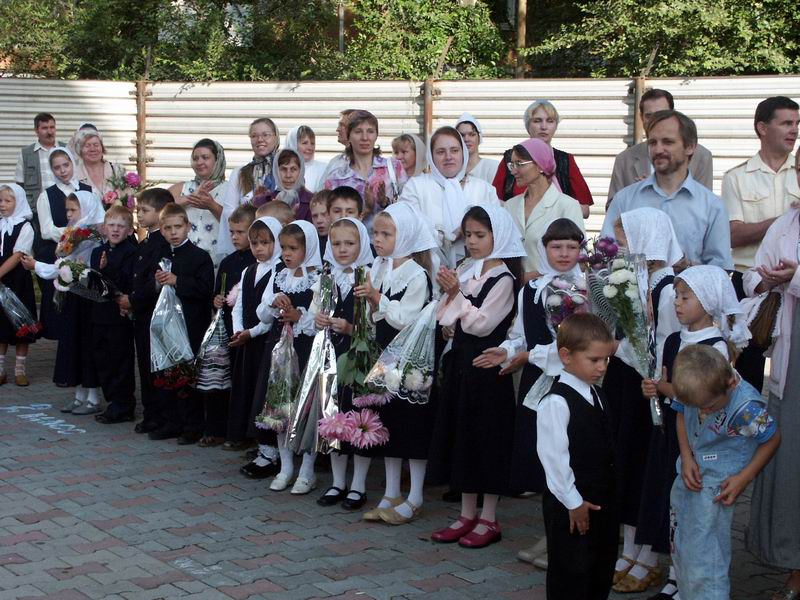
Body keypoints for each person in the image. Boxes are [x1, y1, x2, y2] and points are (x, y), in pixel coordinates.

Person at [476, 217, 586, 566]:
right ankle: (551, 532)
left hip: (574, 382)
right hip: (538, 382)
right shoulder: (532, 290)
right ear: (544, 248)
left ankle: (567, 537)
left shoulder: (587, 288)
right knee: (545, 459)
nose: (564, 253)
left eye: (572, 247)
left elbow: (583, 344)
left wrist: (530, 356)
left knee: (570, 458)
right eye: (557, 246)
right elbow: (520, 335)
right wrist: (507, 351)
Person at [635, 265, 750, 597]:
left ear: (709, 300)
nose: (677, 303)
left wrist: (664, 388)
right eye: (677, 296)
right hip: (673, 432)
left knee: (695, 508)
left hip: (702, 438)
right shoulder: (674, 339)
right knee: (673, 505)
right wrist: (653, 387)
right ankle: (676, 573)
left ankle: (690, 577)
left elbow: (697, 395)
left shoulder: (716, 346)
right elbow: (666, 383)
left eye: (686, 297)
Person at [430, 205, 525, 548]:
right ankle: (466, 513)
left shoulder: (504, 279)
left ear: (499, 236)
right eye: (468, 234)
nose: (471, 242)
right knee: (464, 437)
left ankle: (489, 517)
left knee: (487, 439)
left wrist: (456, 296)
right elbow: (444, 315)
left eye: (480, 235)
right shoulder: (467, 269)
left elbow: (482, 324)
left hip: (487, 369)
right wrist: (450, 302)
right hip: (462, 365)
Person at [605, 208, 683, 595]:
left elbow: (664, 348)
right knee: (627, 465)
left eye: (625, 239)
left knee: (645, 470)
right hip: (626, 385)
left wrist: (619, 348)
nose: (620, 245)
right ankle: (629, 549)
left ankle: (648, 557)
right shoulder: (636, 279)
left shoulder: (667, 290)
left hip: (648, 388)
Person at [669, 345, 779, 600]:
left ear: (730, 384)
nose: (703, 412)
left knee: (708, 557)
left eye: (708, 406)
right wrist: (686, 456)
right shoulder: (694, 386)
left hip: (718, 486)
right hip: (690, 474)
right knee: (683, 548)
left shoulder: (747, 407)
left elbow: (772, 439)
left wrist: (744, 478)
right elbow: (682, 414)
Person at [354, 202, 437, 525]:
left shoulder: (417, 274)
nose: (377, 239)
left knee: (411, 426)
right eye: (376, 233)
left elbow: (407, 318)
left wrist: (377, 298)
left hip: (410, 362)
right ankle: (390, 493)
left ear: (405, 237)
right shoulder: (380, 267)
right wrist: (371, 302)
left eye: (386, 234)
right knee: (387, 424)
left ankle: (415, 495)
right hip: (385, 355)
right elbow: (375, 317)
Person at [536, 313, 617, 600]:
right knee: (571, 572)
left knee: (599, 568)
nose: (602, 367)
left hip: (600, 499)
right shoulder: (556, 402)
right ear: (566, 355)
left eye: (606, 360)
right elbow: (554, 459)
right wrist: (573, 501)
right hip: (570, 503)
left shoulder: (596, 394)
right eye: (594, 360)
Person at [723, 96, 800, 392]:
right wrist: (783, 221)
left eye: (796, 124)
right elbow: (733, 235)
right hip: (752, 285)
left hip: (795, 287)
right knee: (748, 376)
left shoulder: (798, 166)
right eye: (786, 123)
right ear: (762, 128)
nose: (794, 130)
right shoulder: (737, 177)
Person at [744, 202, 800, 600]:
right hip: (791, 351)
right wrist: (764, 281)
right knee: (792, 454)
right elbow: (751, 275)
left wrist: (795, 277)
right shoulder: (785, 222)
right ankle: (795, 563)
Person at [602, 110, 734, 270]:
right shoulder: (624, 200)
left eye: (668, 142)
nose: (658, 150)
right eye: (652, 143)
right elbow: (604, 258)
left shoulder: (711, 206)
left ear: (690, 147)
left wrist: (688, 267)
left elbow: (719, 270)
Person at [255, 220, 322, 495]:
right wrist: (273, 303)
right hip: (280, 348)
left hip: (305, 349)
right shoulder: (279, 274)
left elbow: (321, 317)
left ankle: (307, 469)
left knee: (305, 407)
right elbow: (262, 313)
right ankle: (285, 467)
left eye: (293, 248)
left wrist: (300, 316)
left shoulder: (319, 277)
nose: (286, 253)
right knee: (281, 405)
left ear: (309, 247)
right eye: (283, 248)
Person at [22, 190, 105, 414]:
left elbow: (67, 265)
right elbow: (63, 261)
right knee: (73, 344)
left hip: (87, 296)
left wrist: (37, 266)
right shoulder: (75, 231)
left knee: (86, 345)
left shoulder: (91, 234)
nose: (68, 214)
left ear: (87, 209)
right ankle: (79, 394)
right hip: (73, 295)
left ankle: (93, 397)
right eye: (67, 210)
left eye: (73, 210)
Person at [312, 217, 374, 510]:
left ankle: (359, 485)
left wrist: (351, 328)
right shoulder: (326, 277)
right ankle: (338, 482)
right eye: (336, 243)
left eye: (350, 243)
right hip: (331, 356)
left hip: (358, 358)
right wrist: (318, 319)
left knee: (359, 420)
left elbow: (376, 322)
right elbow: (314, 311)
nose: (342, 249)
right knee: (334, 419)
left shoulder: (368, 276)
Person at [149, 204, 215, 445]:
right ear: (162, 230)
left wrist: (178, 281)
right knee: (167, 372)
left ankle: (192, 425)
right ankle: (171, 421)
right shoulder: (160, 255)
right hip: (166, 325)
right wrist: (158, 282)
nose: (173, 232)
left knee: (188, 375)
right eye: (168, 228)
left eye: (178, 226)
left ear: (188, 227)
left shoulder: (200, 257)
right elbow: (150, 287)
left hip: (191, 325)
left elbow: (205, 290)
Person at [399, 126, 499, 268]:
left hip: (477, 273)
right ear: (431, 156)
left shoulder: (484, 189)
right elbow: (407, 228)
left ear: (463, 153)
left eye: (454, 150)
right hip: (428, 271)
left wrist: (468, 231)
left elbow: (497, 231)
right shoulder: (415, 187)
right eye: (441, 152)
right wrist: (446, 236)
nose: (448, 157)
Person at [227, 217, 283, 465]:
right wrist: (239, 330)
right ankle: (256, 441)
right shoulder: (248, 270)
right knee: (247, 390)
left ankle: (269, 447)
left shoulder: (279, 270)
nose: (259, 248)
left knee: (264, 393)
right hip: (246, 341)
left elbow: (271, 313)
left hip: (265, 340)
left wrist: (252, 332)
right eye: (254, 243)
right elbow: (238, 306)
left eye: (265, 242)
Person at [607, 89, 714, 205]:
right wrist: (636, 194)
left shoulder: (701, 156)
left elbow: (704, 204)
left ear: (673, 114)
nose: (655, 120)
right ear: (641, 118)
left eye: (662, 114)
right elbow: (613, 208)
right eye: (649, 116)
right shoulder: (624, 159)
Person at [492, 100, 593, 218]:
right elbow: (494, 202)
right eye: (537, 121)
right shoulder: (510, 159)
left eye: (550, 121)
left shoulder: (565, 160)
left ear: (555, 126)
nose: (544, 127)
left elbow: (585, 210)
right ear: (528, 125)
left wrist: (553, 210)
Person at [503, 138, 585, 282]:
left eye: (519, 164)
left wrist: (530, 278)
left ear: (540, 165)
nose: (513, 171)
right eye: (512, 165)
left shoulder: (567, 205)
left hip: (552, 289)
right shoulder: (510, 205)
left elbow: (579, 257)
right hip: (511, 289)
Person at [127, 188, 174, 435]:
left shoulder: (162, 244)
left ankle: (161, 415)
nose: (139, 215)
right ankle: (151, 412)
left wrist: (133, 300)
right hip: (142, 312)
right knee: (145, 364)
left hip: (154, 311)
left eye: (144, 210)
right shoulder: (146, 241)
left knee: (156, 365)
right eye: (138, 210)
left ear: (161, 211)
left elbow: (155, 280)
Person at [36, 147, 93, 340]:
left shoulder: (88, 190)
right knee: (60, 303)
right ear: (52, 170)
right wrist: (74, 233)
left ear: (72, 163)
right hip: (58, 253)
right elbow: (46, 230)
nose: (62, 170)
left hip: (85, 252)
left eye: (66, 165)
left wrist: (85, 235)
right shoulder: (47, 195)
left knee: (83, 301)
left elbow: (95, 218)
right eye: (57, 167)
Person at [90, 206, 138, 424]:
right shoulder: (97, 252)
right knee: (103, 359)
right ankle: (112, 400)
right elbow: (94, 282)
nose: (115, 230)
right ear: (104, 228)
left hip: (120, 315)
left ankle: (123, 404)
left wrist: (107, 269)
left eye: (120, 226)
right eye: (111, 225)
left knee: (120, 360)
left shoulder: (131, 252)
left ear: (129, 230)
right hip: (99, 314)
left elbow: (126, 282)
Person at [323, 110, 407, 230]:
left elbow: (407, 210)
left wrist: (385, 202)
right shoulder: (336, 179)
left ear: (376, 135)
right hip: (350, 241)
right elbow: (330, 221)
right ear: (348, 136)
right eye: (358, 132)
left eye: (370, 131)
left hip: (390, 240)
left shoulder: (393, 168)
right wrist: (366, 210)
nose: (365, 138)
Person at [218, 118, 280, 255]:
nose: (260, 139)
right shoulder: (239, 173)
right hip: (247, 245)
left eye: (265, 135)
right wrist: (252, 202)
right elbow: (229, 211)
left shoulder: (284, 169)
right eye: (254, 136)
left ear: (276, 137)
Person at [169, 138, 227, 268]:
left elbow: (236, 222)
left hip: (217, 261)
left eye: (205, 157)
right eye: (195, 158)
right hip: (184, 262)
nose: (199, 162)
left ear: (217, 160)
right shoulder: (182, 187)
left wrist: (212, 206)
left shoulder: (230, 189)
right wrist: (190, 198)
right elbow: (160, 208)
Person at [0, 183, 36, 387]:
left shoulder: (25, 226)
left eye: (8, 200)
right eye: (0, 200)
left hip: (17, 280)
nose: (2, 204)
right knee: (1, 325)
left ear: (19, 202)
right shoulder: (0, 224)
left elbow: (18, 255)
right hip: (1, 281)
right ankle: (0, 369)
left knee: (21, 323)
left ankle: (20, 370)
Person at [214, 204, 257, 347]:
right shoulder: (227, 262)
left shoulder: (257, 261)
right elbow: (218, 291)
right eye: (232, 232)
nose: (234, 237)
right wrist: (216, 300)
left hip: (251, 327)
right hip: (228, 327)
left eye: (240, 232)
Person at [15, 112, 65, 210]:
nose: (49, 132)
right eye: (44, 128)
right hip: (37, 209)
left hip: (64, 207)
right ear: (36, 130)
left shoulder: (66, 149)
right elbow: (19, 186)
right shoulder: (26, 154)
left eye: (52, 127)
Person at [74, 129, 125, 198]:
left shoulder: (116, 170)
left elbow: (128, 199)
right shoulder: (74, 175)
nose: (92, 149)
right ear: (80, 151)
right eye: (87, 146)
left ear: (102, 148)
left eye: (96, 145)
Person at [455, 112, 499, 184]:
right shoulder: (452, 169)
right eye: (462, 135)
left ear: (479, 138)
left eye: (472, 134)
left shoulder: (492, 167)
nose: (466, 139)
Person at [273, 148, 313, 222]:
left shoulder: (312, 201)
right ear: (276, 171)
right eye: (283, 169)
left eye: (293, 169)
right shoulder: (265, 200)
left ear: (301, 171)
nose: (288, 175)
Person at [285, 125, 328, 193]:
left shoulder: (324, 169)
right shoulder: (280, 168)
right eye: (305, 143)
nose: (309, 147)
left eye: (312, 143)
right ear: (293, 144)